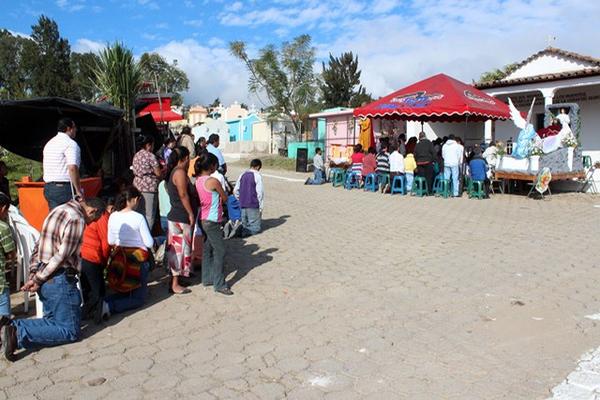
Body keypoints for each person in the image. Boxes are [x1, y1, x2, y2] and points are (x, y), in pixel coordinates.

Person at [1, 197, 105, 360]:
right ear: (92, 211)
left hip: (46, 277)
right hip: (58, 279)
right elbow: (61, 257)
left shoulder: (58, 210)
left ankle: (9, 328)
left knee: (53, 321)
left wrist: (34, 273)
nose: (90, 224)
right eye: (93, 220)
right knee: (70, 331)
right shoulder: (76, 219)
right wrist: (38, 279)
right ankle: (16, 331)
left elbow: (39, 245)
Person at [103, 187, 155, 317]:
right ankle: (110, 307)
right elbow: (149, 243)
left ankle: (102, 303)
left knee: (123, 291)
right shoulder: (138, 217)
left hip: (120, 258)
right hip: (136, 260)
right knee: (139, 299)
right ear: (135, 200)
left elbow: (110, 240)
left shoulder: (113, 216)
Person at [195, 153, 232, 296]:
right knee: (220, 250)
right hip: (212, 220)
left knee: (207, 248)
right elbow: (224, 197)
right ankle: (219, 284)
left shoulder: (198, 180)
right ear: (212, 166)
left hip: (203, 217)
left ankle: (207, 278)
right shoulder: (213, 181)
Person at [166, 147, 196, 295]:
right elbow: (183, 195)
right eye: (189, 157)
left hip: (177, 216)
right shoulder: (179, 173)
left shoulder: (175, 172)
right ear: (184, 158)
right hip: (181, 216)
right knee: (178, 251)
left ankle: (178, 279)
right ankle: (174, 284)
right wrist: (190, 213)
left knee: (182, 250)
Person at [80, 197, 111, 323]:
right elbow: (106, 243)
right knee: (97, 291)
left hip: (83, 257)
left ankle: (92, 313)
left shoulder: (87, 218)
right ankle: (87, 314)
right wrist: (104, 260)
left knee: (88, 287)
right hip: (93, 258)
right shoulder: (103, 217)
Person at [42, 118, 83, 210]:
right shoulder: (70, 144)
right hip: (64, 188)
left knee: (56, 219)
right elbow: (72, 167)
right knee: (70, 219)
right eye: (74, 127)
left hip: (49, 187)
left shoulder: (49, 143)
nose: (76, 130)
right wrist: (78, 190)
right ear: (69, 128)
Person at [132, 135, 163, 230]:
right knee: (149, 215)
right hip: (149, 187)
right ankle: (146, 237)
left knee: (138, 213)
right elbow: (158, 173)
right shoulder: (150, 156)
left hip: (136, 186)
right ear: (149, 145)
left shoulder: (136, 155)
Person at [234, 159, 264, 237]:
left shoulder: (242, 174)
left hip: (243, 203)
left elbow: (236, 190)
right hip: (253, 204)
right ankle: (243, 232)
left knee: (245, 223)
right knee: (255, 227)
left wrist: (239, 198)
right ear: (257, 167)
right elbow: (259, 192)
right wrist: (260, 205)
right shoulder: (257, 176)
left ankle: (241, 229)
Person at [0, 193, 16, 322]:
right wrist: (12, 265)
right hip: (0, 281)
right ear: (3, 208)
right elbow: (10, 252)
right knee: (4, 319)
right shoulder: (3, 228)